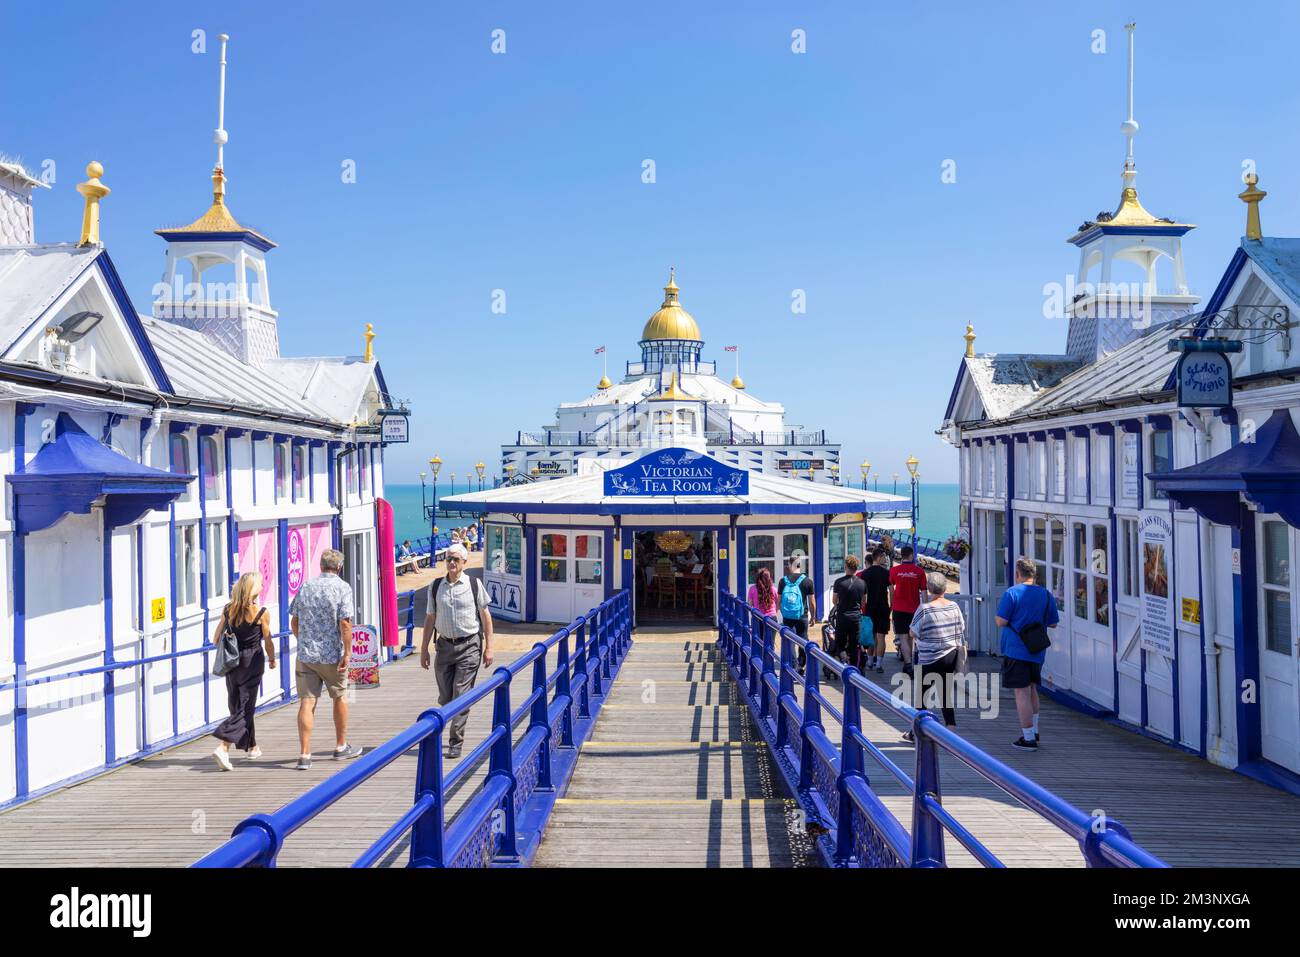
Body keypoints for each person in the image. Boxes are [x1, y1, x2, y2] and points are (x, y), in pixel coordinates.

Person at [289, 548, 364, 770]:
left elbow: (295, 620)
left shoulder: (306, 586)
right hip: (332, 655)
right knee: (340, 696)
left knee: (307, 701)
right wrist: (348, 652)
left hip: (306, 656)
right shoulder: (343, 588)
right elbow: (345, 623)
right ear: (339, 567)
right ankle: (341, 746)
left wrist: (304, 640)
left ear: (321, 566)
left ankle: (304, 754)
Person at [420, 543, 495, 760]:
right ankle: (448, 724)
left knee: (461, 694)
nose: (451, 563)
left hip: (469, 645)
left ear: (464, 563)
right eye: (448, 559)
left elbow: (485, 617)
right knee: (446, 697)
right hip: (444, 646)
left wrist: (489, 647)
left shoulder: (473, 584)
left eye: (455, 559)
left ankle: (455, 741)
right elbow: (429, 619)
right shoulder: (435, 586)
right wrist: (424, 649)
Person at [211, 572, 277, 770]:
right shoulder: (261, 612)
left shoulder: (228, 610)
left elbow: (216, 638)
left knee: (237, 704)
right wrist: (272, 659)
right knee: (246, 707)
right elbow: (268, 640)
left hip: (232, 663)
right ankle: (223, 746)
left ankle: (252, 746)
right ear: (254, 589)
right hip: (252, 662)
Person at [995, 556, 1059, 751]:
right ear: (1034, 574)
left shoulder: (1012, 593)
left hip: (1016, 649)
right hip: (1036, 650)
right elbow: (1053, 623)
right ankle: (1035, 730)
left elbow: (1001, 621)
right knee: (1032, 689)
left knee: (1021, 692)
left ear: (1017, 574)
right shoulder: (1046, 595)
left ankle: (1028, 738)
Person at [902, 572, 966, 741]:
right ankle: (951, 730)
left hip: (930, 658)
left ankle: (917, 733)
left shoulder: (924, 609)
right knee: (945, 693)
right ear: (944, 588)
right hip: (951, 655)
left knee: (921, 696)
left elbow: (912, 632)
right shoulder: (954, 606)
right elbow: (961, 628)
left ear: (929, 588)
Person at [889, 545, 927, 676]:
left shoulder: (894, 571)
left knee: (903, 637)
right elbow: (924, 592)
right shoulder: (920, 571)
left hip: (899, 608)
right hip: (914, 609)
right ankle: (909, 662)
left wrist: (892, 605)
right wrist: (926, 608)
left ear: (902, 555)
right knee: (912, 636)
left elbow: (891, 590)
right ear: (911, 555)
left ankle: (908, 664)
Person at [777, 558, 816, 673]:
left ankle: (793, 665)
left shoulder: (783, 581)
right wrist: (813, 616)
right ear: (800, 565)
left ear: (790, 565)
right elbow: (812, 602)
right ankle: (802, 665)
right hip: (802, 616)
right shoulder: (808, 581)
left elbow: (778, 601)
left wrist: (779, 613)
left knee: (789, 640)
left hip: (788, 616)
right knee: (802, 640)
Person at [831, 554, 866, 670]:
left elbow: (834, 600)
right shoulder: (862, 583)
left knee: (840, 645)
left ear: (846, 566)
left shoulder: (838, 582)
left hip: (842, 617)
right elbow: (863, 603)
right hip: (856, 618)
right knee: (854, 645)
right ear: (857, 567)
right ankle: (854, 671)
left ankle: (844, 662)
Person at [859, 548, 890, 674]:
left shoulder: (865, 574)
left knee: (871, 635)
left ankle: (870, 661)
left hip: (870, 607)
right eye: (883, 556)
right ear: (878, 557)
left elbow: (863, 594)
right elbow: (891, 591)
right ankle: (879, 664)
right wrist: (891, 605)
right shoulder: (886, 573)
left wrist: (862, 607)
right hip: (883, 607)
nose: (885, 558)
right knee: (881, 636)